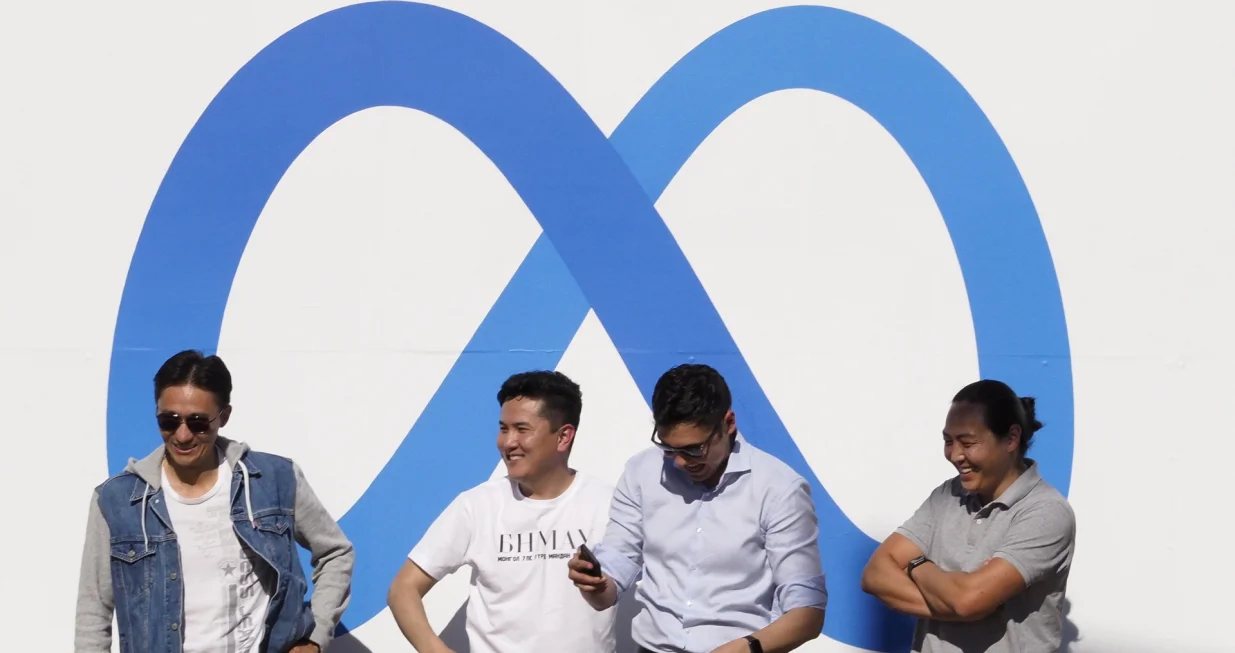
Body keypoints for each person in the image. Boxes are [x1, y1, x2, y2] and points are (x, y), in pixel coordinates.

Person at [74, 350, 355, 653]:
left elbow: (335, 552)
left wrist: (314, 638)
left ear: (224, 416)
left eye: (198, 423)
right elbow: (94, 611)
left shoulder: (274, 479)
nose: (182, 435)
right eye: (169, 421)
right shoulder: (117, 501)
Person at [568, 363, 827, 653]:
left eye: (694, 449)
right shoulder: (641, 472)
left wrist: (746, 648)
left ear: (728, 424)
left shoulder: (779, 488)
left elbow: (807, 612)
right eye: (668, 448)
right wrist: (594, 583)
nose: (680, 461)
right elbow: (613, 574)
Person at [388, 370, 618, 653]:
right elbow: (403, 588)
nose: (508, 442)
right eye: (503, 428)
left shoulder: (610, 504)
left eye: (522, 429)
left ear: (563, 437)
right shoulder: (477, 505)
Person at [860, 379, 1077, 653]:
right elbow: (875, 574)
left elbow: (968, 600)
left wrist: (916, 565)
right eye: (948, 441)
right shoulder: (947, 494)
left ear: (1012, 438)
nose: (955, 455)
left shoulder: (1046, 511)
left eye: (967, 442)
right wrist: (954, 605)